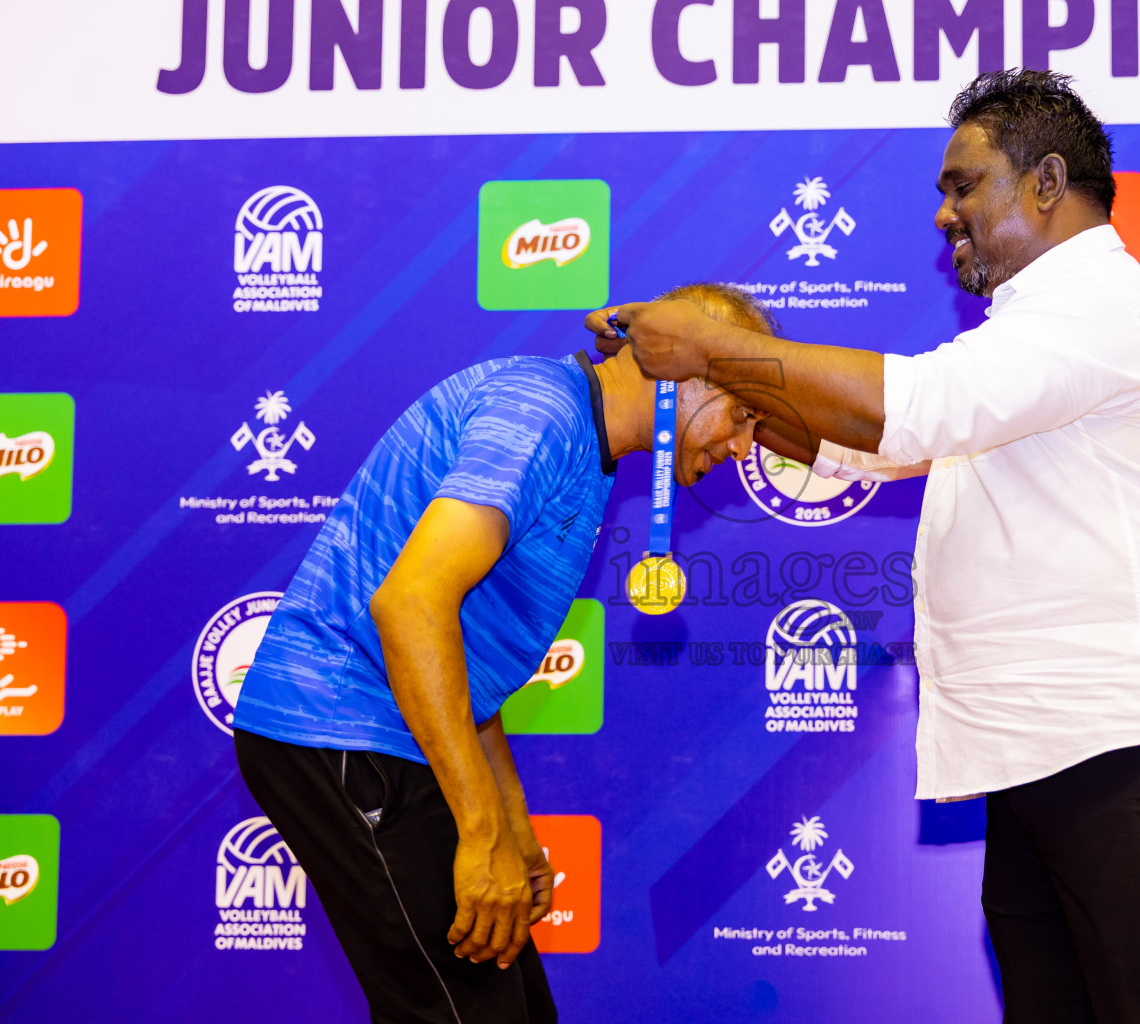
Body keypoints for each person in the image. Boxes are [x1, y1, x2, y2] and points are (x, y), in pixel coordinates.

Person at [590, 70, 1140, 1023]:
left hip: (1137, 742)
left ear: (1045, 182)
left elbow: (911, 411)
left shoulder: (1103, 304)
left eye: (963, 185)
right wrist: (748, 404)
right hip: (1043, 753)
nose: (945, 213)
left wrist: (712, 348)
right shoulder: (1027, 336)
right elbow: (860, 445)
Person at [232, 283, 774, 1024]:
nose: (744, 448)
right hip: (341, 727)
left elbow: (461, 654)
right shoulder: (540, 413)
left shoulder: (585, 447)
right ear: (682, 368)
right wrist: (481, 833)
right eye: (744, 416)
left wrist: (512, 827)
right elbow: (412, 606)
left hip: (393, 736)